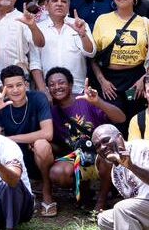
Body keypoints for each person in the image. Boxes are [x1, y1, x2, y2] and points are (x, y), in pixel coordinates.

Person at [45, 67, 125, 208]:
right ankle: (84, 192)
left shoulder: (86, 100)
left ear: (70, 85)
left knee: (109, 157)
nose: (57, 87)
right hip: (76, 157)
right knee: (58, 172)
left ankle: (101, 200)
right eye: (52, 84)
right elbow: (61, 144)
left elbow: (121, 118)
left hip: (100, 155)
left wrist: (97, 102)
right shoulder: (52, 113)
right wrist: (44, 145)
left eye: (61, 83)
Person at [90, 0, 149, 124]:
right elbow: (93, 57)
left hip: (134, 81)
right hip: (110, 81)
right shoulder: (102, 20)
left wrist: (145, 78)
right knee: (113, 120)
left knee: (135, 118)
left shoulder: (145, 23)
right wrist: (102, 81)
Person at [0, 65, 56, 216]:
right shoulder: (2, 104)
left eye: (19, 85)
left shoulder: (38, 98)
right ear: (3, 88)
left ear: (26, 84)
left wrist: (11, 139)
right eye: (10, 86)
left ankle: (47, 191)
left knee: (41, 144)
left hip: (37, 156)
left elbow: (48, 133)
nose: (15, 90)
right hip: (15, 158)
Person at [33, 0, 95, 95]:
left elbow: (91, 53)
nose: (59, 4)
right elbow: (35, 63)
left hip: (77, 89)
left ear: (68, 6)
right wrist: (43, 91)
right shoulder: (37, 28)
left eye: (64, 1)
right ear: (46, 6)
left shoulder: (79, 24)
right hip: (49, 91)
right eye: (54, 0)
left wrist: (82, 34)